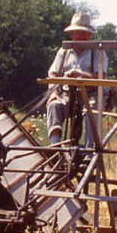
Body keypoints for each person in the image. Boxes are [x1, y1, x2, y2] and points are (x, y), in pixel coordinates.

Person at [46, 12, 108, 145]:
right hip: (67, 95)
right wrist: (54, 93)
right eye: (76, 32)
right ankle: (55, 148)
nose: (78, 36)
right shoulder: (64, 51)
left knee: (92, 113)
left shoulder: (97, 51)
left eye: (82, 33)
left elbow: (101, 77)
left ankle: (90, 153)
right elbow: (52, 75)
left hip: (91, 95)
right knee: (54, 105)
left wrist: (80, 76)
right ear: (71, 34)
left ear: (89, 35)